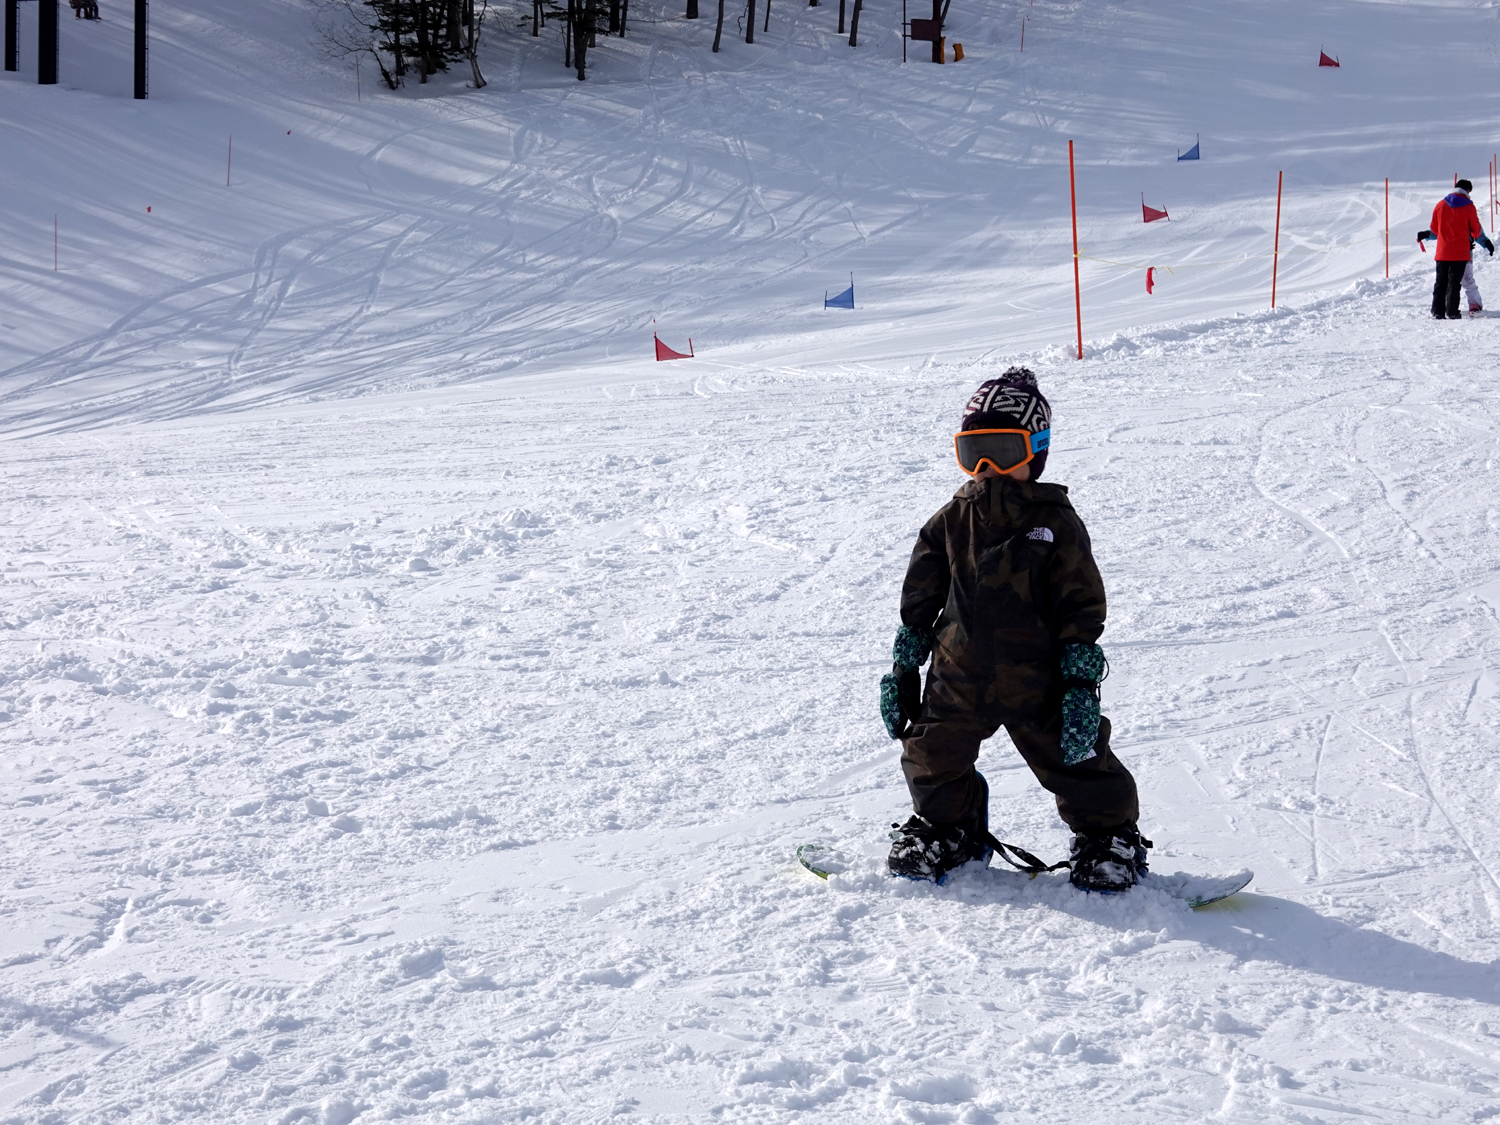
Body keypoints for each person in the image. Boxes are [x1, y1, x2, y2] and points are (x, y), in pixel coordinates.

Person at [879, 367, 1147, 889]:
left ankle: (1109, 837)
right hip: (956, 672)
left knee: (1076, 754)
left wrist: (1078, 676)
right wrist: (905, 660)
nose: (986, 468)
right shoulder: (951, 520)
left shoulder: (1056, 523)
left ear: (1036, 450)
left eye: (1003, 450)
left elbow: (1081, 600)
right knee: (932, 752)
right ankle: (949, 828)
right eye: (973, 452)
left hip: (1039, 676)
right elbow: (921, 592)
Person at [1427, 180, 1491, 319]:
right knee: (1454, 283)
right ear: (1467, 190)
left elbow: (1434, 229)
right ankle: (1452, 312)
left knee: (1440, 282)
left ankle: (1437, 311)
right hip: (1460, 252)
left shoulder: (1440, 204)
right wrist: (1483, 241)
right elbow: (1476, 230)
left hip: (1442, 252)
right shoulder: (1469, 206)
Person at [1418, 219, 1494, 314]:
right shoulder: (1447, 215)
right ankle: (1445, 306)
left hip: (1465, 255)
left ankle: (1474, 304)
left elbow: (1478, 233)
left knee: (1467, 280)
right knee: (1448, 281)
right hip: (1448, 255)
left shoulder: (1469, 216)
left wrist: (1486, 242)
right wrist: (1427, 234)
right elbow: (1438, 231)